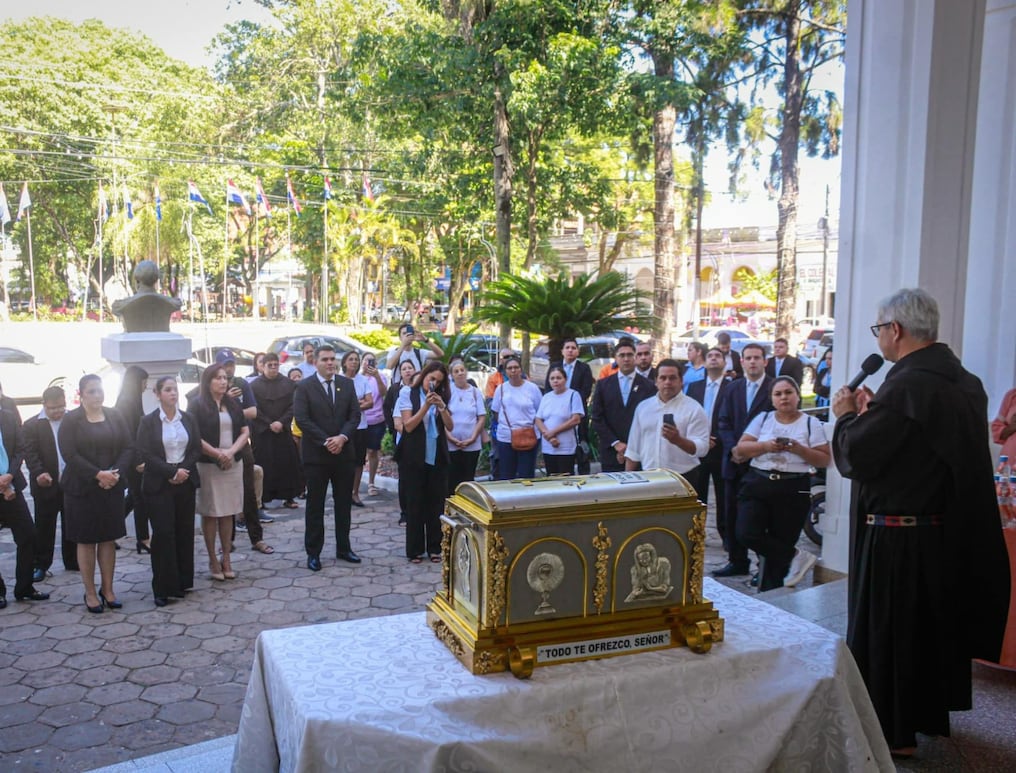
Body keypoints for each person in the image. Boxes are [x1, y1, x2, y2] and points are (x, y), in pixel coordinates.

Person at [831, 287, 1010, 755]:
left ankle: (893, 731)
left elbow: (859, 455)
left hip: (897, 538)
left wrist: (848, 417)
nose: (879, 339)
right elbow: (916, 449)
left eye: (878, 329)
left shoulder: (908, 384)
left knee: (893, 636)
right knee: (926, 634)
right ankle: (925, 715)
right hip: (942, 533)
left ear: (895, 330)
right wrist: (877, 415)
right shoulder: (964, 381)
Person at [732, 376, 830, 591]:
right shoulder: (763, 418)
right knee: (746, 532)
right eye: (778, 394)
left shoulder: (810, 423)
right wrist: (766, 446)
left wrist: (799, 449)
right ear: (772, 399)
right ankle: (796, 556)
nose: (784, 397)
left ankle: (770, 597)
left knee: (779, 548)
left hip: (793, 488)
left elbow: (824, 459)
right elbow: (741, 449)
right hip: (758, 482)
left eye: (788, 392)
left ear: (797, 395)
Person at [59, 374, 133, 613]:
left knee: (108, 538)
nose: (97, 395)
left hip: (111, 485)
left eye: (100, 390)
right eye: (91, 391)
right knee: (87, 540)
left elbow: (128, 447)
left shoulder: (115, 415)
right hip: (82, 488)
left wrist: (114, 474)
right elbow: (70, 454)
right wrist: (97, 474)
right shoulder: (71, 420)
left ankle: (108, 589)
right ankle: (90, 592)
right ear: (81, 394)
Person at [293, 344, 362, 570]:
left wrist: (341, 438)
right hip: (317, 457)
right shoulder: (304, 387)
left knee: (344, 504)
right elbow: (302, 419)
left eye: (333, 359)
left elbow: (355, 415)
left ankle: (344, 548)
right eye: (325, 359)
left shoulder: (346, 384)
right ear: (316, 362)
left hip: (344, 454)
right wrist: (326, 441)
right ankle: (313, 552)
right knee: (316, 506)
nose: (330, 363)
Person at [136, 376, 201, 607]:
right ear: (158, 394)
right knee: (163, 534)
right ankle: (162, 587)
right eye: (167, 390)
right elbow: (146, 452)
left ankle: (182, 582)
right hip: (159, 483)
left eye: (175, 389)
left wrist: (183, 469)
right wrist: (170, 472)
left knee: (184, 532)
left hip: (185, 480)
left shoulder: (188, 418)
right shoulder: (149, 422)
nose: (173, 393)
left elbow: (195, 448)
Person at [714, 343, 773, 577]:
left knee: (761, 517)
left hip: (762, 463)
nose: (752, 362)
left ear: (765, 361)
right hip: (733, 463)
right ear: (741, 362)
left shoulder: (774, 388)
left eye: (757, 358)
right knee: (731, 514)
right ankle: (737, 561)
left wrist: (750, 451)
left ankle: (764, 566)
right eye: (748, 358)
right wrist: (734, 449)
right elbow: (723, 422)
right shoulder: (733, 388)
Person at [189, 365, 249, 581]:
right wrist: (217, 454)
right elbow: (194, 435)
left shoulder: (232, 403)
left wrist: (231, 452)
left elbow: (244, 431)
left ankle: (226, 558)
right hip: (208, 464)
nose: (223, 382)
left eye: (225, 378)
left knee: (228, 512)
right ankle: (213, 558)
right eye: (218, 378)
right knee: (211, 512)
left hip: (232, 463)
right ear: (208, 381)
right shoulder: (197, 405)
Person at [396, 360, 453, 563]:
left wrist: (442, 406)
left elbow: (450, 426)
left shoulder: (442, 396)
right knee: (415, 503)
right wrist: (425, 406)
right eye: (432, 378)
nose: (434, 384)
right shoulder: (407, 394)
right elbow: (408, 426)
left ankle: (435, 548)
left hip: (436, 455)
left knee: (436, 503)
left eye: (438, 382)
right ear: (424, 376)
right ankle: (415, 549)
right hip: (414, 456)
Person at [23, 386, 77, 580]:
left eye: (61, 406)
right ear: (44, 404)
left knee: (71, 523)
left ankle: (72, 560)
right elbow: (30, 454)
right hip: (46, 484)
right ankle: (41, 564)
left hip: (71, 482)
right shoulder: (32, 425)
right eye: (53, 408)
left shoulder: (73, 420)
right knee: (44, 526)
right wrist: (39, 473)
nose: (57, 411)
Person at [0, 400, 50, 609]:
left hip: (11, 484)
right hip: (4, 487)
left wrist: (9, 475)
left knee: (28, 535)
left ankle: (25, 587)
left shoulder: (7, 417)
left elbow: (19, 449)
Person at [624, 359, 709, 479]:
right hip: (649, 476)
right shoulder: (643, 407)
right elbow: (633, 449)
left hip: (683, 478)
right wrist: (627, 480)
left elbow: (702, 449)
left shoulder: (694, 408)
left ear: (681, 381)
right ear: (656, 381)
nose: (667, 382)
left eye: (672, 378)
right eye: (663, 378)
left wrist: (678, 440)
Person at [686, 349, 732, 542]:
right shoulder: (695, 387)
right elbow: (688, 414)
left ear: (724, 362)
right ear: (704, 362)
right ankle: (696, 534)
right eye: (710, 356)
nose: (713, 358)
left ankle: (726, 536)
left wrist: (716, 439)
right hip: (698, 448)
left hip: (721, 449)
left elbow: (732, 417)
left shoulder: (732, 387)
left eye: (717, 356)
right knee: (697, 492)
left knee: (723, 495)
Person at [590, 339, 657, 472]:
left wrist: (632, 446)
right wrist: (616, 443)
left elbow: (652, 418)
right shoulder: (603, 385)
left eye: (630, 355)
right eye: (622, 355)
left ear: (635, 357)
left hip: (641, 452)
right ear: (615, 358)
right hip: (611, 451)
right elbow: (597, 417)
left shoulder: (648, 386)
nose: (626, 359)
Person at [250, 353, 300, 513]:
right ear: (262, 366)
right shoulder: (254, 386)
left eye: (275, 365)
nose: (273, 368)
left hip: (283, 429)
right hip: (263, 432)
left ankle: (289, 496)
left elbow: (293, 405)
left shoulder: (289, 384)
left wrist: (281, 422)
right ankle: (262, 498)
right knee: (264, 464)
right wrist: (268, 423)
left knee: (287, 462)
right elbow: (253, 409)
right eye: (269, 365)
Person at [115, 365, 151, 554]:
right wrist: (137, 460)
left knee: (132, 497)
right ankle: (143, 538)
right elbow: (128, 434)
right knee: (140, 498)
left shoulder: (133, 400)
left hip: (134, 455)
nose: (145, 386)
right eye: (143, 381)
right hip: (131, 457)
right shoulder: (127, 402)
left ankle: (111, 529)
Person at [490, 355, 543, 479]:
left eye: (516, 367)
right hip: (506, 438)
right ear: (505, 370)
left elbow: (539, 411)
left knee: (527, 475)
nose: (513, 370)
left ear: (521, 369)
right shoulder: (500, 389)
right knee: (507, 475)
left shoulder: (532, 388)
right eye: (509, 368)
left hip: (529, 436)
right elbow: (496, 412)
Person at [546, 338, 594, 474]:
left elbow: (586, 391)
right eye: (567, 347)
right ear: (562, 351)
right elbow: (548, 390)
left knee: (582, 449)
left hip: (577, 415)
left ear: (577, 351)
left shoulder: (584, 368)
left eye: (573, 348)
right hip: (556, 417)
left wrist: (570, 403)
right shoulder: (554, 367)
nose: (570, 350)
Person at [445, 357, 486, 493]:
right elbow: (442, 415)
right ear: (452, 375)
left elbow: (481, 417)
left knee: (468, 478)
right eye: (456, 371)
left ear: (466, 372)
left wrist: (473, 438)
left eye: (462, 370)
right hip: (452, 443)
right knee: (452, 478)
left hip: (471, 443)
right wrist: (450, 437)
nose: (460, 373)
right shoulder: (447, 391)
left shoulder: (475, 392)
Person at [385, 359, 417, 526]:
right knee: (405, 480)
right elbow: (398, 423)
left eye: (410, 368)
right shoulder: (402, 393)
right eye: (404, 368)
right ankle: (405, 513)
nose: (408, 371)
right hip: (406, 444)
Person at [535, 365, 585, 475]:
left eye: (559, 378)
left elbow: (575, 419)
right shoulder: (546, 397)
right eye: (552, 378)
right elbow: (538, 419)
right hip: (548, 445)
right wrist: (548, 435)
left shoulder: (573, 395)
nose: (555, 381)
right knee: (551, 478)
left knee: (565, 477)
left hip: (565, 447)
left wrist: (553, 432)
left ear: (565, 379)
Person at [341, 351, 373, 508]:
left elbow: (370, 402)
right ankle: (343, 492)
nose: (354, 362)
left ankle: (355, 492)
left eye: (356, 359)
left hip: (361, 426)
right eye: (350, 359)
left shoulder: (363, 380)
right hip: (343, 427)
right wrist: (356, 405)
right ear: (344, 362)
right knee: (343, 461)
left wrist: (353, 406)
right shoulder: (338, 379)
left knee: (359, 460)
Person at [359, 352, 388, 498]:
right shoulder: (356, 378)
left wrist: (376, 376)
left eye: (371, 361)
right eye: (366, 360)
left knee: (372, 451)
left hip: (376, 419)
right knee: (358, 453)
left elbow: (383, 393)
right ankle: (354, 485)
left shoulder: (380, 376)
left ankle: (371, 482)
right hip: (359, 420)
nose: (368, 363)